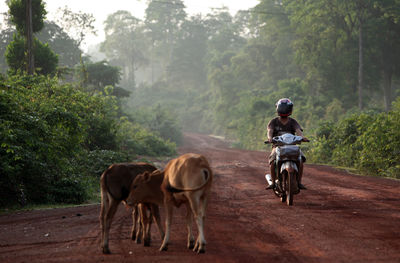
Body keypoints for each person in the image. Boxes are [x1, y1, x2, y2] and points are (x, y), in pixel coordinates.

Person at [265, 98, 308, 190]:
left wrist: (302, 137)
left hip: (292, 146)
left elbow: (298, 130)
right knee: (273, 161)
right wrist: (270, 138)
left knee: (300, 160)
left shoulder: (293, 122)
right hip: (277, 146)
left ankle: (299, 182)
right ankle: (273, 182)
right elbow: (270, 131)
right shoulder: (273, 121)